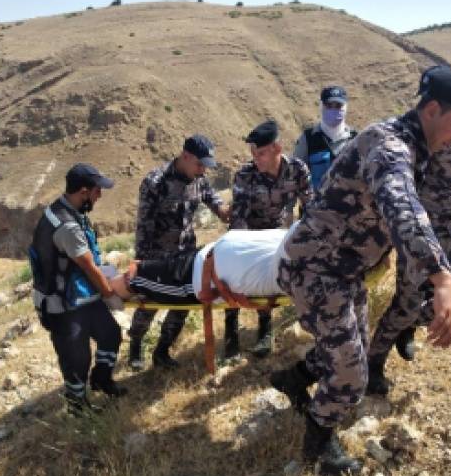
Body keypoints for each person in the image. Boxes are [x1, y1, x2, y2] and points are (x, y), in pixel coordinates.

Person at [270, 67, 451, 476]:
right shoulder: (390, 146)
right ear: (431, 109)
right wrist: (441, 277)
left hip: (343, 270)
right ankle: (318, 446)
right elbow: (402, 206)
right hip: (314, 269)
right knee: (352, 374)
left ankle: (292, 379)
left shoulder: (416, 144)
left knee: (350, 346)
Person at [367, 56, 451, 394]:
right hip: (424, 233)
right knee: (405, 303)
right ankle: (373, 361)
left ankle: (408, 322)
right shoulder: (446, 124)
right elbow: (401, 182)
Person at [29, 163, 126, 414]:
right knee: (76, 357)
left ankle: (102, 379)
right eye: (96, 191)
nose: (99, 195)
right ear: (83, 191)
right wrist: (111, 296)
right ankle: (78, 407)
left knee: (110, 334)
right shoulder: (66, 226)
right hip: (62, 304)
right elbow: (89, 267)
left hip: (81, 296)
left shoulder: (69, 210)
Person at [129, 135, 230, 370]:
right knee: (148, 305)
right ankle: (135, 346)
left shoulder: (199, 179)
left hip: (185, 257)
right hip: (156, 257)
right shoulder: (155, 182)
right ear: (185, 156)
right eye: (199, 164)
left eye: (205, 165)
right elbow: (144, 225)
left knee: (183, 305)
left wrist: (227, 212)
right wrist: (141, 263)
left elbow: (216, 203)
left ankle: (162, 351)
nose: (203, 170)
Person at [225, 119, 312, 359]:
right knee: (232, 278)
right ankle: (231, 333)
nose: (256, 159)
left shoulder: (297, 170)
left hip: (276, 235)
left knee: (268, 281)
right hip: (247, 236)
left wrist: (306, 238)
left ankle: (264, 331)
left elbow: (310, 207)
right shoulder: (245, 175)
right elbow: (239, 217)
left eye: (261, 153)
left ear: (277, 149)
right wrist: (243, 251)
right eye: (253, 153)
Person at [111, 229, 288, 305]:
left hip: (203, 267)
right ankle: (102, 291)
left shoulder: (300, 229)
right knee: (135, 278)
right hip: (199, 271)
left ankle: (103, 288)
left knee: (138, 276)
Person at [293, 86, 357, 191]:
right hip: (316, 200)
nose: (333, 110)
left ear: (345, 108)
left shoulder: (356, 140)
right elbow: (294, 176)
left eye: (338, 106)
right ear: (321, 106)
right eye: (329, 105)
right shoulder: (308, 139)